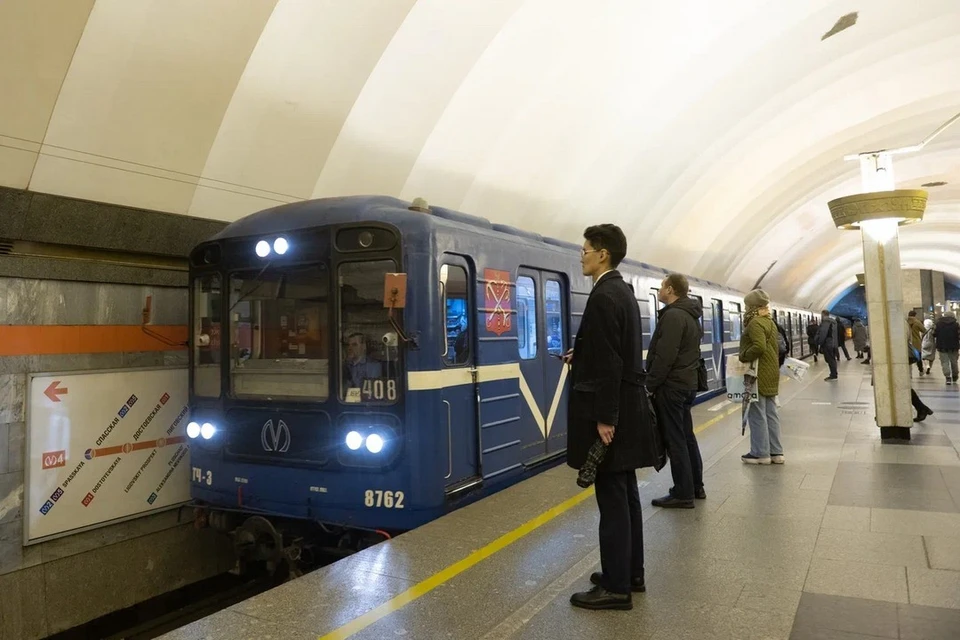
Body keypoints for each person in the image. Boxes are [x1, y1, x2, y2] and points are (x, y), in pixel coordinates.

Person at [563, 224, 660, 611]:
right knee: (626, 495)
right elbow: (612, 352)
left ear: (602, 253)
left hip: (610, 411)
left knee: (612, 500)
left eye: (585, 249)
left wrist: (604, 418)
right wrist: (580, 356)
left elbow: (609, 362)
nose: (582, 255)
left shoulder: (604, 296)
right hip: (626, 404)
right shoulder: (622, 291)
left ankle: (616, 588)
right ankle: (630, 572)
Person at [646, 273, 705, 509]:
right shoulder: (690, 315)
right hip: (687, 384)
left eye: (661, 287)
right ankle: (696, 486)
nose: (659, 290)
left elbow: (665, 356)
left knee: (676, 439)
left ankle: (682, 492)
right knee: (687, 437)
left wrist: (650, 385)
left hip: (672, 386)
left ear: (670, 290)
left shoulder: (673, 316)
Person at [738, 290, 783, 464]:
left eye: (747, 305)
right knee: (771, 413)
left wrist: (743, 355)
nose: (745, 308)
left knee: (756, 413)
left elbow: (759, 347)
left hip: (758, 373)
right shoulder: (769, 322)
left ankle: (760, 453)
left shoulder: (755, 323)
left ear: (753, 306)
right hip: (771, 371)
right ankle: (776, 452)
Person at [934, 310, 960, 385]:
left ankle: (947, 377)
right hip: (954, 346)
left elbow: (934, 334)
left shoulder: (938, 324)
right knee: (954, 362)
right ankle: (955, 375)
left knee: (944, 362)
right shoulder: (956, 324)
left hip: (942, 346)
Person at [815, 311, 839, 381]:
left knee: (830, 360)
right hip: (834, 343)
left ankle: (833, 375)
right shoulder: (834, 322)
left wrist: (819, 342)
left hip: (828, 344)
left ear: (823, 315)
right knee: (832, 359)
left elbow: (823, 334)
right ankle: (834, 374)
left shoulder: (826, 323)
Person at [907, 310, 925, 376]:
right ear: (915, 315)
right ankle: (921, 370)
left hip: (908, 343)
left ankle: (909, 373)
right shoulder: (917, 322)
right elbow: (924, 330)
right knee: (918, 357)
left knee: (908, 358)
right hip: (916, 342)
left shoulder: (905, 322)